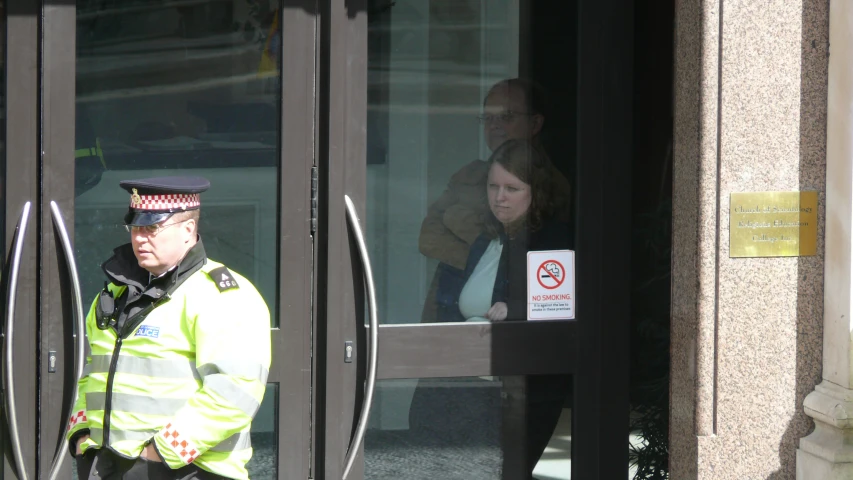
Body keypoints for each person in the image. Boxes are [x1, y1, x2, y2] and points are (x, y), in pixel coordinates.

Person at [67, 176, 272, 480]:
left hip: (186, 469)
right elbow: (93, 370)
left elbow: (235, 391)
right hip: (110, 465)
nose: (139, 238)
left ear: (188, 229)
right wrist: (82, 432)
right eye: (135, 227)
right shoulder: (116, 293)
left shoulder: (222, 295)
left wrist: (160, 453)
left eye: (152, 228)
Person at [411, 139, 572, 479]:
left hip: (519, 391)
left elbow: (561, 308)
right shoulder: (487, 239)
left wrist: (515, 309)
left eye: (512, 188)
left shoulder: (552, 242)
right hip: (470, 384)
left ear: (536, 192)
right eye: (493, 186)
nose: (500, 197)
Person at [418, 77, 571, 323]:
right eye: (488, 118)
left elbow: (547, 266)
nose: (495, 126)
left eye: (506, 116)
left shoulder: (552, 185)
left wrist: (482, 252)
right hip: (450, 304)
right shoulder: (469, 173)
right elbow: (427, 236)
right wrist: (481, 255)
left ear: (535, 124)